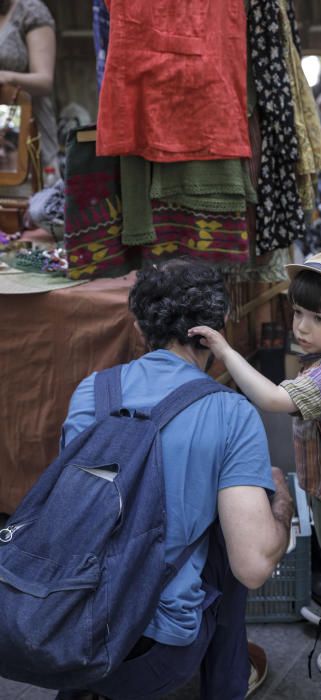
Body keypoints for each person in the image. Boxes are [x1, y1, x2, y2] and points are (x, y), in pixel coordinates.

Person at [55, 258, 294, 700]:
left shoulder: (92, 390)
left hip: (65, 621)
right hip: (155, 650)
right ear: (218, 327)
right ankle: (225, 682)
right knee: (231, 543)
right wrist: (281, 501)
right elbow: (254, 566)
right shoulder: (231, 413)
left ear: (140, 330)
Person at [189, 244, 321, 690]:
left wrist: (224, 349)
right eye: (298, 311)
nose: (300, 326)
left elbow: (270, 400)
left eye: (317, 319)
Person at [0, 0, 59, 180]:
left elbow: (44, 80)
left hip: (26, 125)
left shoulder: (30, 11)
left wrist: (7, 77)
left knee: (30, 198)